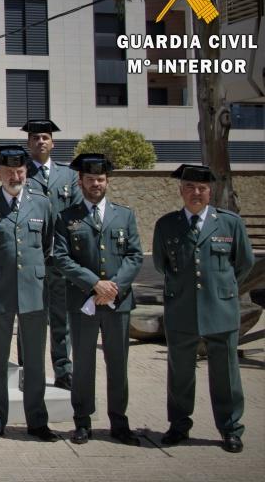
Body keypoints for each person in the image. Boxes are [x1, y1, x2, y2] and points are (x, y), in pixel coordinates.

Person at [152, 164, 254, 454]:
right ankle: (179, 426)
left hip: (220, 310)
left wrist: (223, 288)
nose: (196, 193)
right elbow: (161, 264)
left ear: (210, 191)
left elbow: (244, 262)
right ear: (181, 191)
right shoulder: (167, 225)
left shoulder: (230, 223)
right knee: (180, 373)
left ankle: (230, 428)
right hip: (182, 308)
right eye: (189, 188)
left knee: (226, 374)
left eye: (202, 188)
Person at [0, 145, 56, 443]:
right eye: (8, 172)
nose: (15, 176)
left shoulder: (41, 204)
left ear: (26, 172)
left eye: (19, 171)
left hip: (33, 292)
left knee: (33, 361)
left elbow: (48, 245)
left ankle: (37, 421)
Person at [51, 153, 142, 445]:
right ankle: (82, 421)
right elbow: (61, 258)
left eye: (100, 179)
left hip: (118, 303)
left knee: (118, 364)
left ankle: (119, 421)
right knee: (84, 364)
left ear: (107, 181)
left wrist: (113, 286)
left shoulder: (124, 215)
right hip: (84, 303)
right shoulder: (67, 218)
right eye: (90, 179)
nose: (95, 184)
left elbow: (135, 255)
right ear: (80, 182)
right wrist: (94, 284)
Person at [23, 119, 82, 391]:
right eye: (35, 138)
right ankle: (27, 369)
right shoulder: (20, 174)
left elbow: (78, 216)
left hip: (60, 258)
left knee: (61, 316)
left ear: (53, 142)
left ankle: (63, 369)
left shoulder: (68, 176)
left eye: (45, 137)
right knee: (31, 316)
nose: (40, 142)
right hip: (32, 257)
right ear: (28, 143)